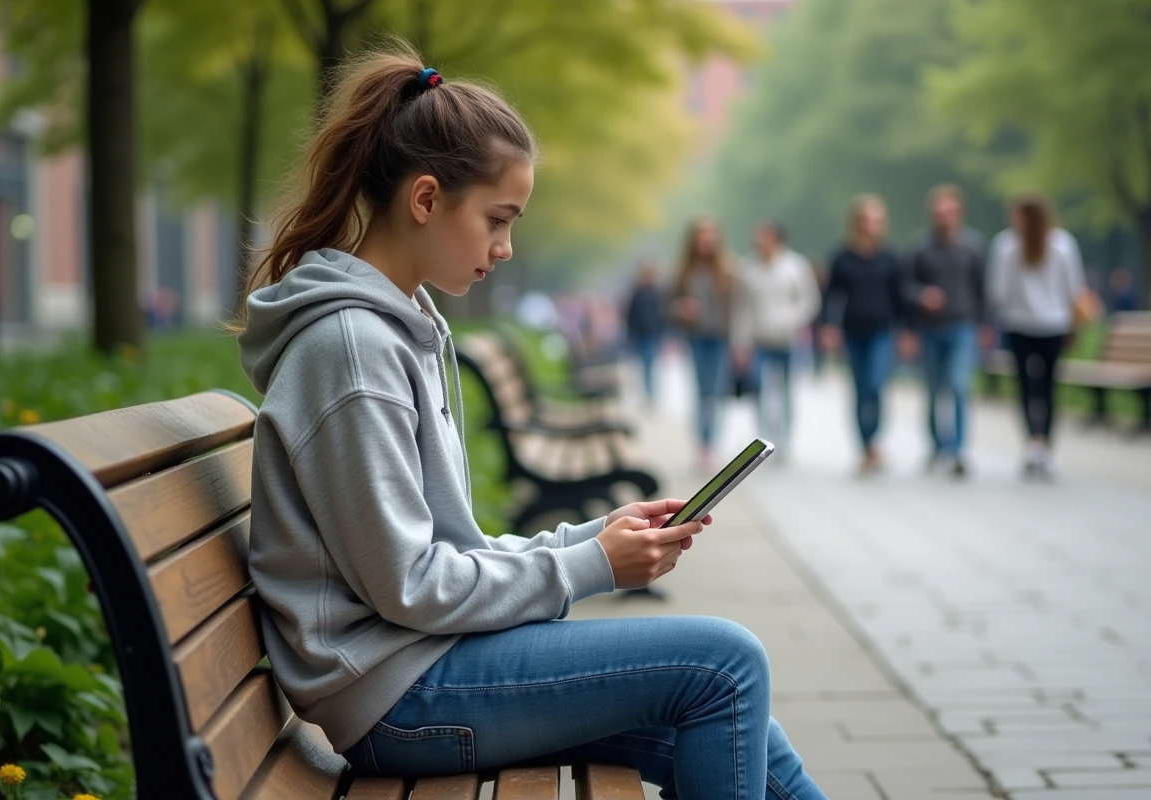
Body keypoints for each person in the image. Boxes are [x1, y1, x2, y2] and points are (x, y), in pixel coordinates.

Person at [231, 45, 825, 799]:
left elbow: (439, 555)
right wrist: (593, 566)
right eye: (497, 220)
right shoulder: (354, 349)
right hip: (399, 697)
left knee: (733, 704)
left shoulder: (396, 327)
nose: (506, 248)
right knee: (725, 662)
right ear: (425, 199)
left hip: (419, 665)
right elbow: (412, 586)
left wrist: (591, 536)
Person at [987, 193, 1087, 478]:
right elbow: (1075, 288)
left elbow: (998, 292)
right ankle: (1045, 445)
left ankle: (1034, 441)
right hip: (1054, 325)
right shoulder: (1063, 244)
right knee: (1048, 385)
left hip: (1019, 325)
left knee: (1026, 386)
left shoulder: (1006, 245)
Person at [901, 184, 989, 478]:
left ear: (959, 212)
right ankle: (937, 446)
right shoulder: (920, 247)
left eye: (949, 211)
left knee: (960, 387)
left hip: (962, 326)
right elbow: (906, 287)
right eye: (938, 212)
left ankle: (958, 450)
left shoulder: (973, 247)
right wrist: (921, 297)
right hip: (929, 329)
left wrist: (985, 324)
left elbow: (982, 289)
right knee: (933, 390)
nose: (944, 217)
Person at [820, 194, 907, 476]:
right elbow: (831, 295)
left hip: (882, 331)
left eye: (878, 220)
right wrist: (828, 326)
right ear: (858, 222)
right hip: (853, 331)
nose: (873, 225)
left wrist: (907, 331)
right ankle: (866, 445)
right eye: (868, 219)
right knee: (860, 390)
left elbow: (900, 296)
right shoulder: (843, 256)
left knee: (876, 386)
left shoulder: (890, 256)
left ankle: (875, 440)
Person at [731, 222, 820, 451]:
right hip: (758, 341)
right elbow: (741, 309)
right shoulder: (747, 268)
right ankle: (763, 438)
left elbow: (809, 302)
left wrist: (790, 321)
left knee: (787, 390)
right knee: (759, 388)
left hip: (788, 340)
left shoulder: (795, 266)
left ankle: (786, 438)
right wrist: (740, 343)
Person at [671, 219, 736, 473]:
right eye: (700, 235)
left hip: (720, 338)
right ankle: (703, 445)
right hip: (696, 337)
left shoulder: (728, 270)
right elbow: (669, 306)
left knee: (716, 392)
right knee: (700, 393)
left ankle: (713, 442)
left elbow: (738, 308)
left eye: (709, 235)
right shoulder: (684, 271)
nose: (705, 240)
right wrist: (681, 309)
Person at [624, 258, 666, 403]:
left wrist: (662, 333)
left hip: (653, 334)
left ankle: (651, 394)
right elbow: (631, 316)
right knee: (643, 365)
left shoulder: (658, 293)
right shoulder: (637, 294)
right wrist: (631, 335)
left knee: (651, 365)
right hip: (640, 335)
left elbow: (662, 316)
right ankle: (647, 393)